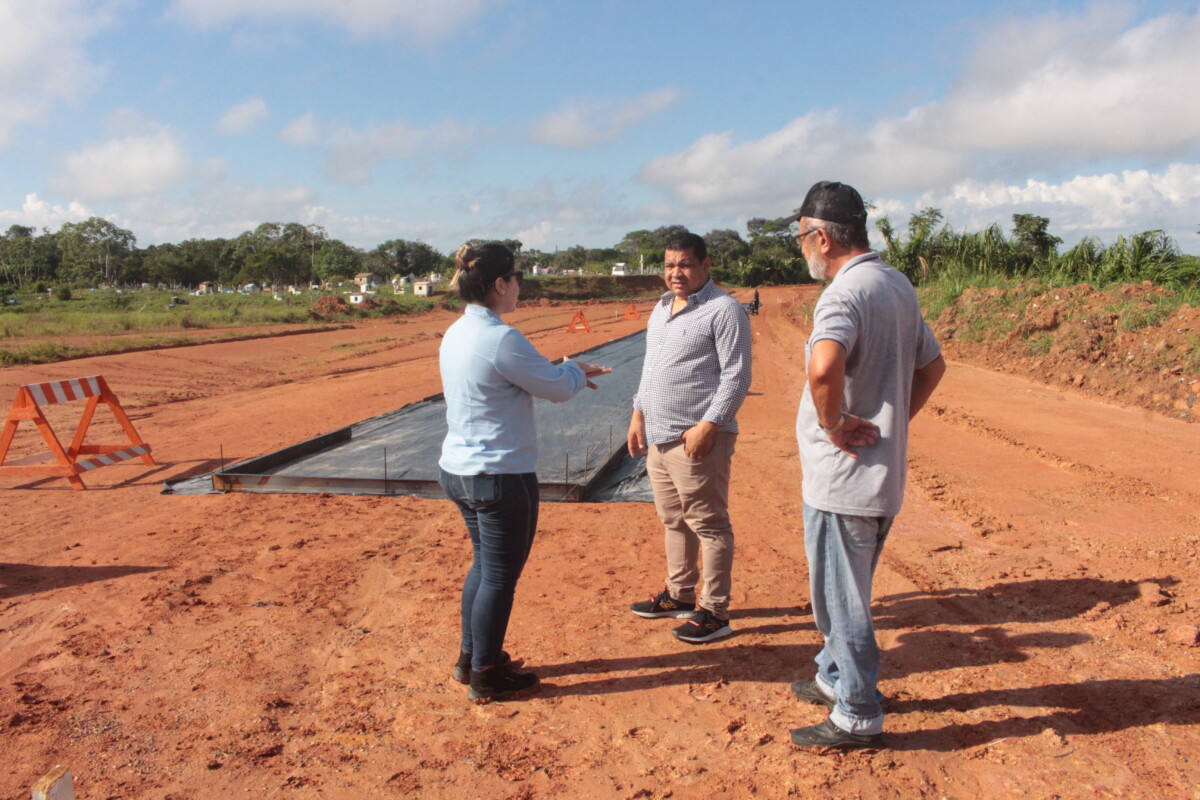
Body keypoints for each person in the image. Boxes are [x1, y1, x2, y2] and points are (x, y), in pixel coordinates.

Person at [786, 182, 946, 750]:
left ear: (822, 237)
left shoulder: (843, 295)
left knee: (841, 601)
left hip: (844, 481)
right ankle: (834, 679)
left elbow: (824, 368)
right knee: (846, 590)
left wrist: (835, 425)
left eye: (802, 236)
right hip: (879, 479)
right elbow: (932, 366)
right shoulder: (895, 284)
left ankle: (857, 709)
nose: (801, 247)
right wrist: (894, 419)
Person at [438, 241, 610, 703]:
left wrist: (566, 372)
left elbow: (533, 376)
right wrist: (574, 369)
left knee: (484, 566)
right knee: (499, 576)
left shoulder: (457, 331)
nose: (520, 288)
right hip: (499, 475)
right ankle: (487, 674)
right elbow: (555, 388)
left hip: (460, 469)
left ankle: (471, 658)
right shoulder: (501, 338)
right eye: (516, 279)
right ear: (499, 283)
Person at [626, 231, 753, 644]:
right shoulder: (661, 309)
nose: (675, 273)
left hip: (696, 437)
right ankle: (679, 594)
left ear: (705, 265)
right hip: (659, 435)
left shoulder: (725, 310)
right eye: (668, 265)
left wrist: (708, 426)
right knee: (673, 519)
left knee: (709, 523)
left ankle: (715, 611)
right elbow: (650, 369)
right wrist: (637, 414)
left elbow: (737, 376)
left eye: (684, 264)